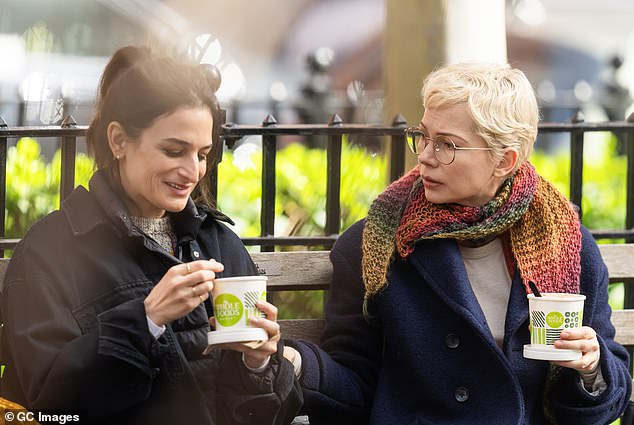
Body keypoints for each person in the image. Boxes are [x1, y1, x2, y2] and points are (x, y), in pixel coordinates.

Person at [285, 62, 632, 424]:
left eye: (447, 145)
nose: (424, 156)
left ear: (505, 160)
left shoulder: (566, 244)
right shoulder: (376, 242)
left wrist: (590, 368)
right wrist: (298, 365)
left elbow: (599, 404)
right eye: (423, 136)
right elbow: (354, 383)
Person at [0, 46, 302, 425]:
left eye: (203, 154)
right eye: (175, 151)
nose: (193, 171)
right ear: (119, 141)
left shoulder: (217, 242)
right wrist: (146, 320)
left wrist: (258, 363)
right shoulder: (51, 251)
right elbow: (51, 407)